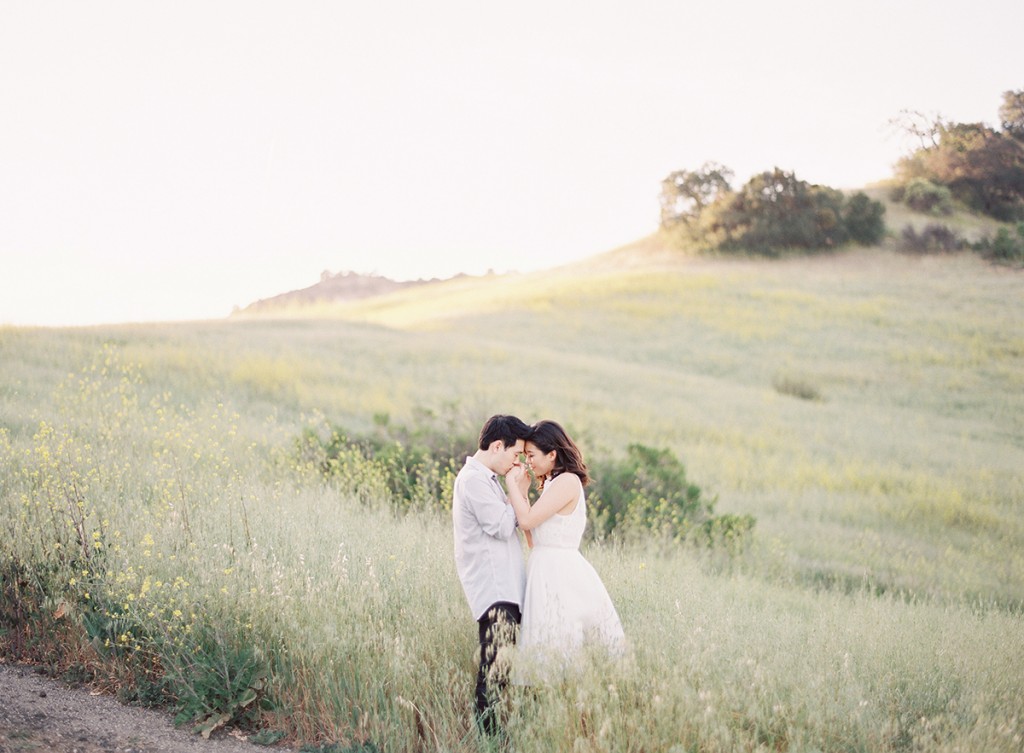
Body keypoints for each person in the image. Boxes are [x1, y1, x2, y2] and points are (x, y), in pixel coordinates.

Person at [505, 420, 625, 682]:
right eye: (525, 456)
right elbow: (534, 538)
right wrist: (523, 495)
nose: (528, 463)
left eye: (532, 456)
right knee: (545, 645)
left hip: (561, 572)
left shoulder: (567, 481)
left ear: (552, 454)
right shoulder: (551, 484)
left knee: (559, 641)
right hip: (544, 567)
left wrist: (512, 485)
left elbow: (525, 521)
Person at [452, 414, 532, 734]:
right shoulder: (472, 480)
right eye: (515, 454)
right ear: (497, 446)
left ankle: (494, 739)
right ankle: (489, 741)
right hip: (494, 591)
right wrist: (519, 490)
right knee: (493, 675)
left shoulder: (487, 480)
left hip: (506, 589)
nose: (517, 463)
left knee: (501, 672)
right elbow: (500, 526)